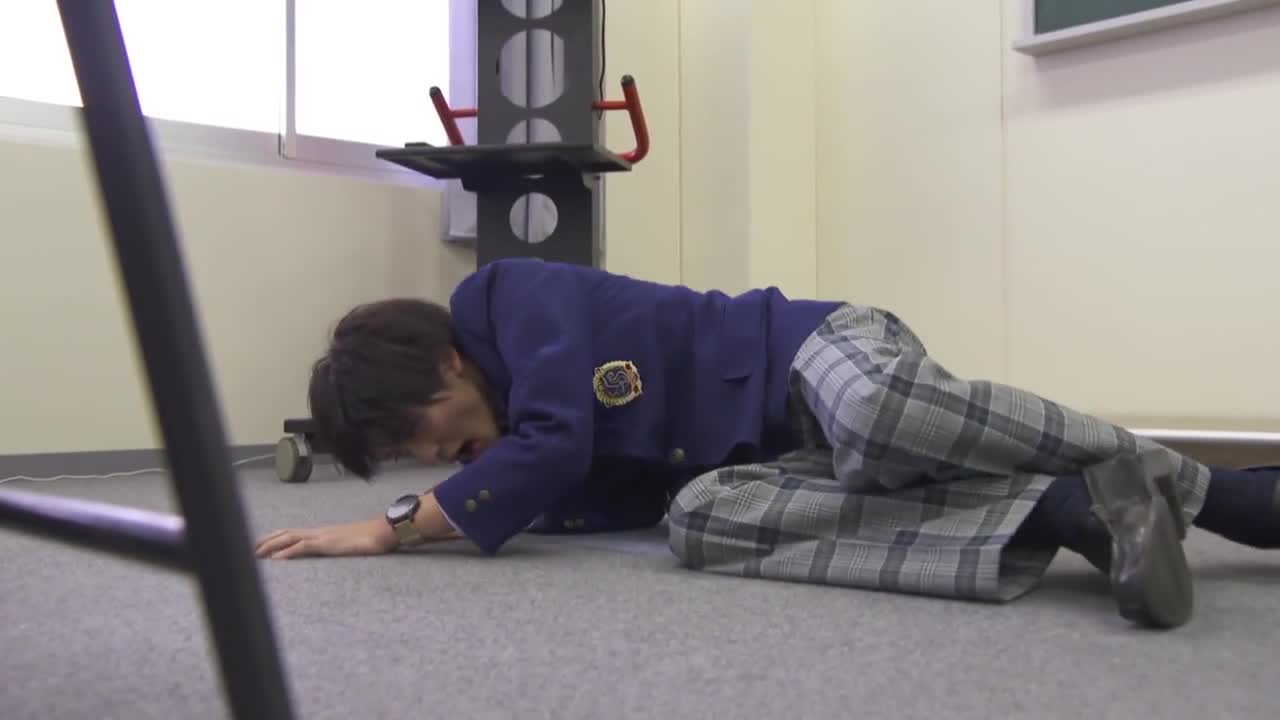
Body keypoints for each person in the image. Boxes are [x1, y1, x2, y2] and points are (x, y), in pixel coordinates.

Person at [254, 258, 1279, 629]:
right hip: (775, 461)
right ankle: (1074, 512)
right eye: (405, 463)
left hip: (813, 357)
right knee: (698, 525)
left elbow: (559, 441)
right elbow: (609, 494)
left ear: (446, 363)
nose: (429, 460)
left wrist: (397, 526)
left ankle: (1230, 497)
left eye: (413, 436)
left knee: (876, 419)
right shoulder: (516, 458)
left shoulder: (503, 297)